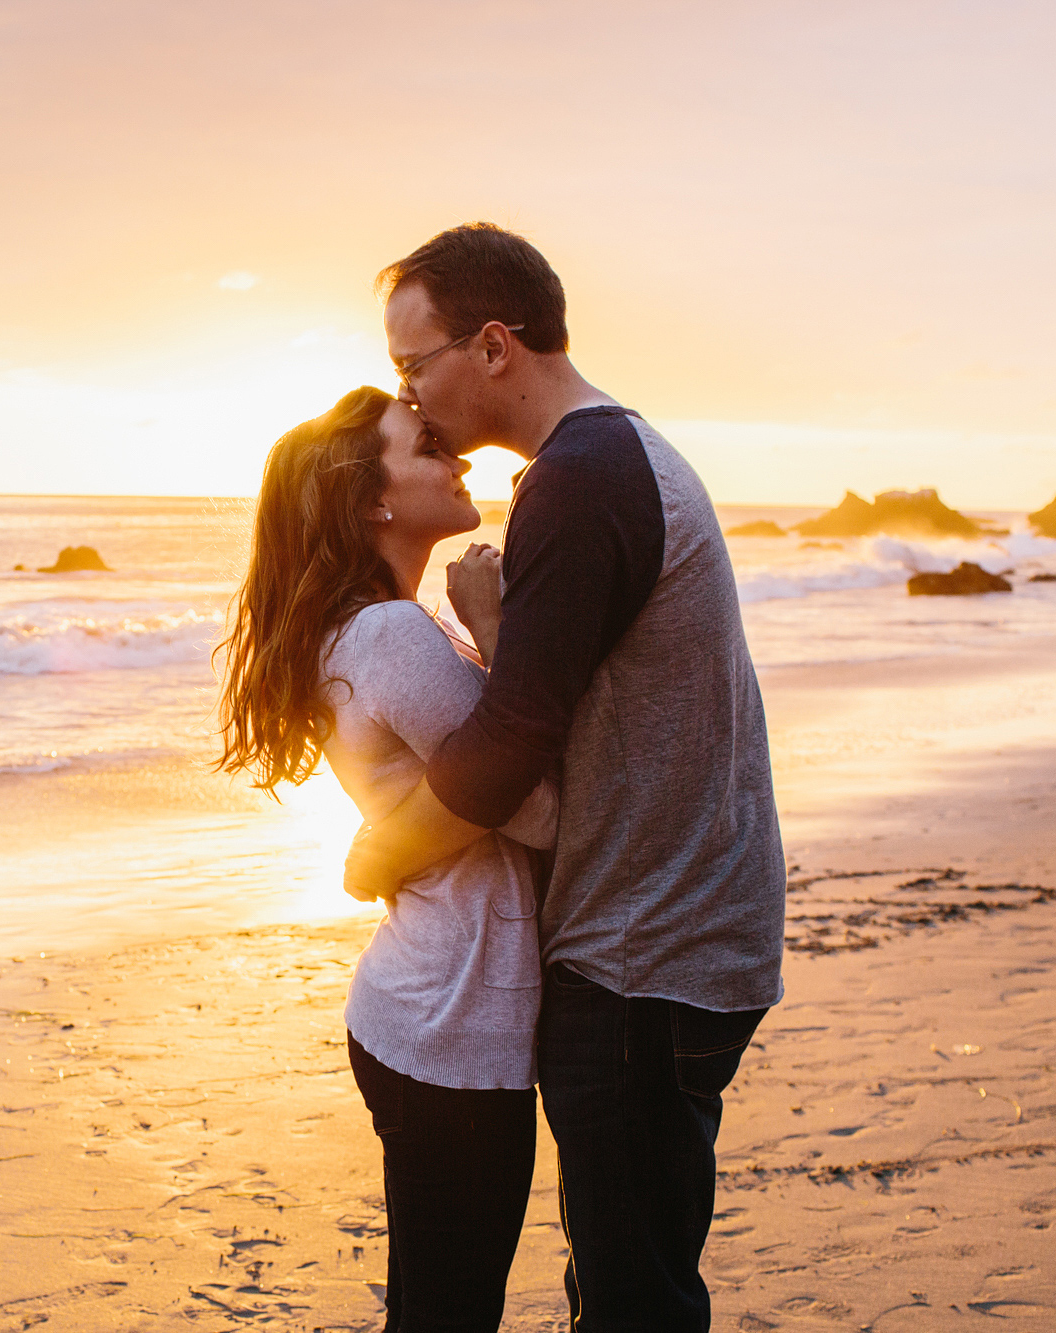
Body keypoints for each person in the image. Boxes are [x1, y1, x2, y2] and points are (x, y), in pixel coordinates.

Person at [343, 223, 786, 1331]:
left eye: (413, 365)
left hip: (643, 950)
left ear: (491, 347)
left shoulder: (577, 480)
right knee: (626, 1275)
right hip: (682, 931)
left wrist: (375, 854)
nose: (409, 393)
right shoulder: (613, 456)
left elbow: (504, 756)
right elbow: (559, 710)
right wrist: (497, 629)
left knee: (633, 1297)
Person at [217, 385, 559, 1331]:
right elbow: (539, 813)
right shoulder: (393, 632)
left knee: (429, 1306)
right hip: (453, 1025)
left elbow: (472, 787)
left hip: (425, 1013)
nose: (458, 458)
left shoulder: (372, 625)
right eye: (425, 447)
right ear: (373, 500)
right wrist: (496, 629)